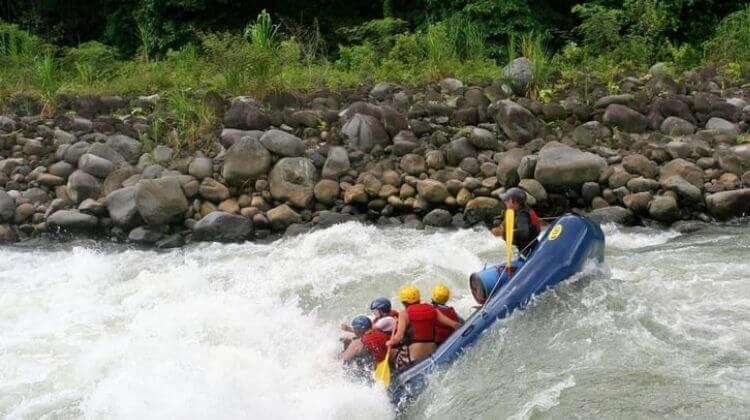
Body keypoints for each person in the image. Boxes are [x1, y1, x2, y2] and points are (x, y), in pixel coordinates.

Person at [387, 285, 460, 372]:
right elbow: (455, 325)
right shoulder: (432, 309)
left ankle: (395, 376)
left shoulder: (404, 314)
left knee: (391, 353)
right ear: (419, 298)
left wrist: (389, 342)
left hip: (414, 358)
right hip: (432, 351)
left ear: (404, 302)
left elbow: (399, 337)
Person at [491, 187, 542, 258]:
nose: (504, 202)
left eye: (506, 200)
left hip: (528, 248)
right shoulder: (521, 209)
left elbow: (523, 232)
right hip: (531, 244)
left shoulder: (522, 216)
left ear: (513, 201)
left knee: (528, 256)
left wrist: (503, 232)